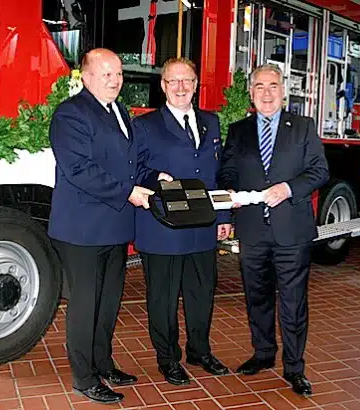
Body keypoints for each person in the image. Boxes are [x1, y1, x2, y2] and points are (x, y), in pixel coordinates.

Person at [48, 48, 167, 404]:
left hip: (114, 225)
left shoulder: (119, 111)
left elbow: (127, 164)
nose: (115, 80)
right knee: (85, 304)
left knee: (108, 302)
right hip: (82, 229)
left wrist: (153, 177)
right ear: (85, 77)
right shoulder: (70, 114)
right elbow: (79, 170)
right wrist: (128, 192)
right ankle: (84, 377)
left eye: (118, 74)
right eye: (106, 74)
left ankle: (103, 362)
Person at [217, 64, 329, 396]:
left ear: (283, 91)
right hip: (252, 231)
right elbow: (226, 173)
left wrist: (290, 188)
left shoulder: (304, 127)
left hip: (291, 231)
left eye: (273, 86)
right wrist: (230, 198)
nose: (267, 93)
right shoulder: (238, 131)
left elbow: (320, 171)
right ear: (251, 93)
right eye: (260, 87)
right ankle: (263, 354)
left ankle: (295, 368)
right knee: (257, 298)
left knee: (293, 303)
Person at [132, 58, 231, 386]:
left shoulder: (211, 122)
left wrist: (224, 215)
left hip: (203, 225)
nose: (180, 87)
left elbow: (219, 176)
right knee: (163, 296)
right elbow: (130, 168)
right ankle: (168, 358)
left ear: (196, 84)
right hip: (163, 227)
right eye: (173, 81)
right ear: (162, 86)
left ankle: (199, 350)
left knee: (202, 292)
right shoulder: (145, 126)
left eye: (186, 81)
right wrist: (153, 176)